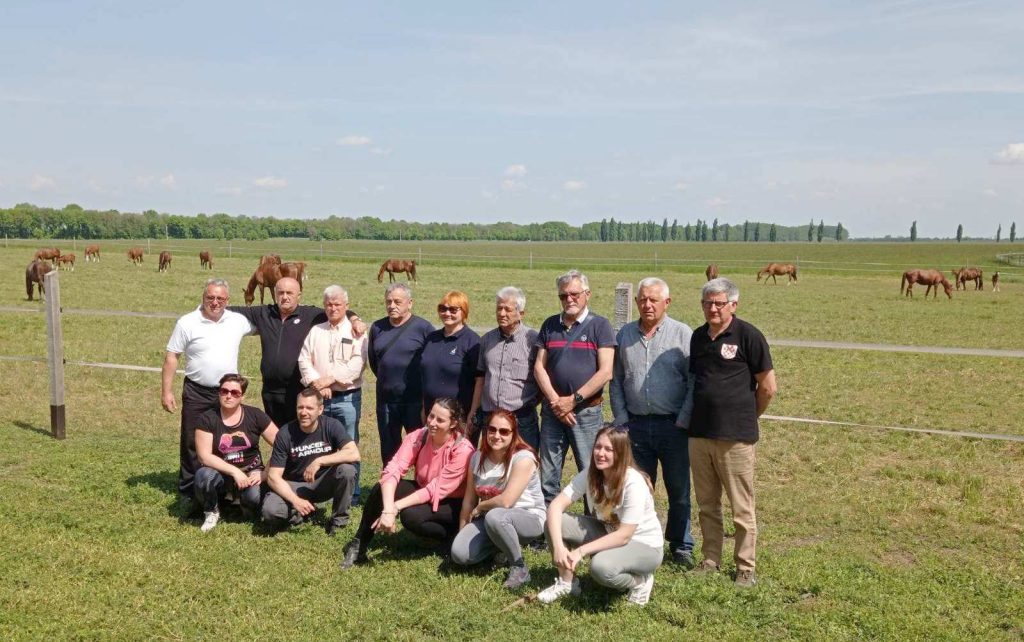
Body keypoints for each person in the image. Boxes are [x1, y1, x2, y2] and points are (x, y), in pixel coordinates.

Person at [687, 277, 777, 588]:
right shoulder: (697, 337)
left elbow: (767, 387)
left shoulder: (749, 335)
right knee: (707, 504)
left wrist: (747, 416)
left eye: (719, 303)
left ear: (733, 305)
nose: (712, 308)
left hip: (736, 438)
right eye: (707, 303)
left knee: (741, 507)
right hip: (699, 435)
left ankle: (745, 568)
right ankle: (711, 559)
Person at [609, 277, 696, 568]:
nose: (647, 304)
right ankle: (640, 539)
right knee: (637, 488)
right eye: (643, 299)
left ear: (667, 303)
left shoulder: (683, 335)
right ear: (637, 302)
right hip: (634, 426)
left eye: (653, 300)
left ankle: (681, 545)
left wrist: (683, 419)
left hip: (673, 426)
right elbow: (616, 379)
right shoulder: (624, 336)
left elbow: (693, 382)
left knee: (679, 489)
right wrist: (621, 418)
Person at [340, 398, 475, 569]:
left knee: (411, 517)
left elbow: (434, 490)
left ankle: (449, 538)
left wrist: (396, 507)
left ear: (453, 423)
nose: (432, 422)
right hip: (424, 489)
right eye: (431, 416)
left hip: (451, 503)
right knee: (380, 489)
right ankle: (359, 545)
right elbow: (394, 469)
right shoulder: (419, 436)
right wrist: (388, 508)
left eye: (440, 420)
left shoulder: (463, 449)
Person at [540, 425, 664, 606]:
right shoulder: (592, 473)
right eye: (598, 447)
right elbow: (556, 506)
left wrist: (581, 551)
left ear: (620, 453)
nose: (600, 453)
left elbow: (624, 536)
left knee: (600, 568)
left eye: (608, 449)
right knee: (554, 523)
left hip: (643, 545)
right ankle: (567, 583)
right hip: (608, 532)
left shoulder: (633, 483)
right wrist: (558, 546)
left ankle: (640, 582)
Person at [162, 278, 255, 514]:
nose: (215, 302)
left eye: (220, 299)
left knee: (227, 441)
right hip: (196, 390)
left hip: (228, 392)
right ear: (203, 297)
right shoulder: (187, 322)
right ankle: (189, 492)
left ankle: (224, 491)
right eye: (210, 297)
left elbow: (267, 322)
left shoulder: (238, 321)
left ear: (228, 301)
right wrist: (167, 390)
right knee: (192, 441)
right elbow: (172, 356)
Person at [229, 277, 365, 428]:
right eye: (280, 293)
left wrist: (355, 319)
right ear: (274, 293)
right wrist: (207, 308)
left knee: (301, 434)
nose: (285, 297)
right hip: (270, 390)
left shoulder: (310, 314)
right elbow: (234, 310)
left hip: (298, 389)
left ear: (298, 295)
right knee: (278, 437)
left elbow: (338, 310)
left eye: (289, 293)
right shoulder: (264, 313)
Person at [534, 269, 616, 503]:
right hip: (553, 413)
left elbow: (605, 371)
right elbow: (539, 367)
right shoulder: (549, 325)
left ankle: (594, 530)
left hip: (586, 412)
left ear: (587, 294)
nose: (569, 299)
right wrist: (556, 402)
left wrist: (572, 401)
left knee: (593, 472)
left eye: (574, 294)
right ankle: (548, 529)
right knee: (548, 476)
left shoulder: (600, 325)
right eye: (563, 296)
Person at [450, 410, 545, 589]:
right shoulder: (477, 458)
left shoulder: (523, 458)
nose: (496, 435)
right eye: (492, 429)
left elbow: (506, 502)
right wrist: (462, 532)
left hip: (528, 518)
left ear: (513, 433)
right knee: (459, 554)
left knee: (496, 516)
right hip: (492, 520)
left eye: (504, 431)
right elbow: (469, 501)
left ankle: (519, 567)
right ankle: (501, 548)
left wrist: (480, 507)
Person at [298, 284, 367, 504]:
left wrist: (331, 379)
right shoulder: (316, 330)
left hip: (347, 398)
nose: (333, 308)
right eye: (328, 304)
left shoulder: (357, 332)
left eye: (337, 304)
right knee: (321, 443)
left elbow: (357, 364)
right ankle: (321, 489)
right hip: (319, 399)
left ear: (346, 306)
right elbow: (303, 359)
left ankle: (352, 494)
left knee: (348, 444)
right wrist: (317, 384)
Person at [262, 387, 360, 535]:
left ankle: (338, 522)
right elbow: (273, 476)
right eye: (300, 407)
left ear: (320, 409)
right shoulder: (285, 433)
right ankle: (300, 514)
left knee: (347, 470)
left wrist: (319, 461)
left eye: (309, 408)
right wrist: (295, 500)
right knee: (270, 511)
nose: (303, 412)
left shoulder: (331, 425)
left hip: (322, 482)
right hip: (294, 485)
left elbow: (354, 453)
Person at [194, 374, 279, 532]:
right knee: (203, 477)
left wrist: (265, 473)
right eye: (224, 391)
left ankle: (244, 508)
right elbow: (204, 456)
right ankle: (211, 511)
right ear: (219, 393)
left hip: (251, 471)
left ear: (242, 396)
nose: (228, 396)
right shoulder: (207, 418)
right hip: (220, 472)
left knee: (254, 497)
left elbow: (282, 445)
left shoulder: (255, 415)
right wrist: (234, 471)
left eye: (235, 393)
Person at [466, 286, 540, 450]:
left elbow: (542, 378)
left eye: (508, 309)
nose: (502, 313)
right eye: (499, 308)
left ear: (521, 313)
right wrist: (474, 410)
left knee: (523, 464)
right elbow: (481, 378)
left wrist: (531, 404)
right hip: (490, 418)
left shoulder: (533, 341)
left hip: (522, 419)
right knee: (491, 467)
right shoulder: (487, 340)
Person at [368, 283, 434, 466]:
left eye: (397, 301)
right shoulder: (377, 327)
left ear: (410, 303)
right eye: (388, 301)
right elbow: (374, 362)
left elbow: (430, 364)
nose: (392, 306)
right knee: (389, 452)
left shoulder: (424, 328)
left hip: (415, 401)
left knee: (421, 450)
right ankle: (391, 491)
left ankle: (420, 491)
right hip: (386, 402)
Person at [420, 291, 480, 434]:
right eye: (443, 308)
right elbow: (426, 376)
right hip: (432, 416)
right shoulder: (431, 338)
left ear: (464, 312)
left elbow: (480, 382)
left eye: (453, 309)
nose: (447, 313)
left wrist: (472, 414)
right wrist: (424, 408)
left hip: (458, 419)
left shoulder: (472, 342)